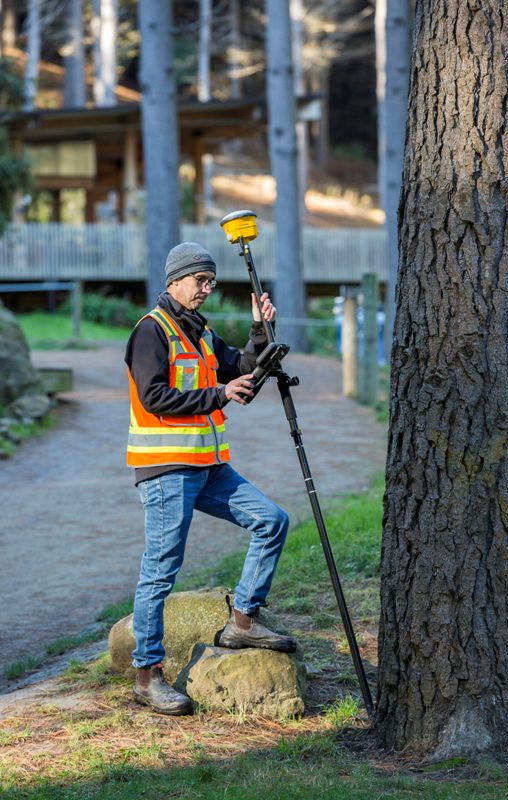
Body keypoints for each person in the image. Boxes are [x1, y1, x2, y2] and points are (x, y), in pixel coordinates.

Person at [125, 241, 296, 715]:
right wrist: (219, 393)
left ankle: (241, 622)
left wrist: (260, 330)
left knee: (272, 520)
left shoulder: (199, 333)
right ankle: (147, 675)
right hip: (166, 471)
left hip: (209, 467)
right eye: (200, 280)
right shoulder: (150, 333)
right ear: (174, 280)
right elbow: (156, 396)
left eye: (211, 281)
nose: (206, 288)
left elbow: (241, 366)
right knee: (160, 572)